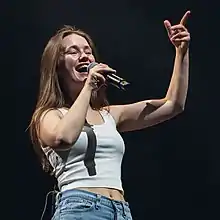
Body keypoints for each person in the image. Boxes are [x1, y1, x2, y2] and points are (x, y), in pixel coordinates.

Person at [29, 10, 191, 220]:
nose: (84, 56)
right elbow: (64, 137)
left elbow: (172, 105)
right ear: (57, 66)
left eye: (88, 51)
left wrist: (182, 53)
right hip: (80, 208)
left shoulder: (109, 115)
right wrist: (89, 86)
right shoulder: (48, 115)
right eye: (73, 51)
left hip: (121, 211)